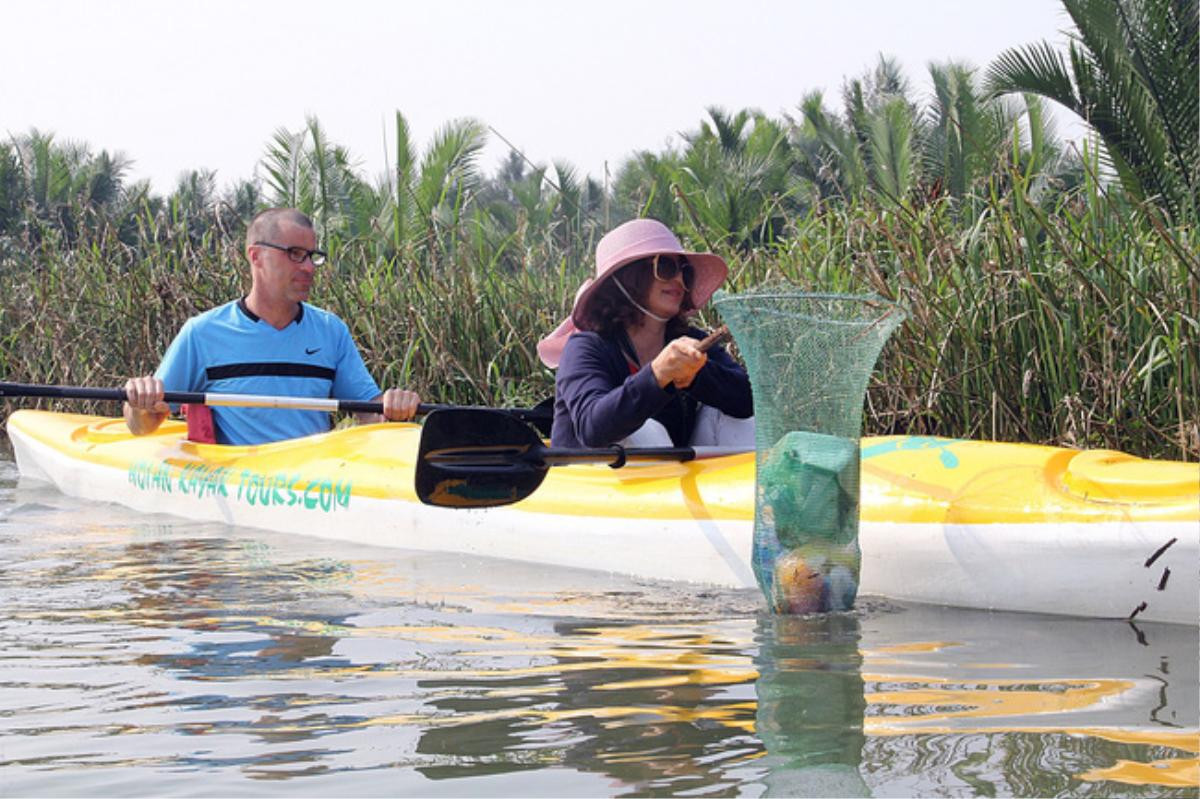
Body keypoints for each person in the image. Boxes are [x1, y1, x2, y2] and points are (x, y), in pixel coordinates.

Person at [123, 208, 421, 445]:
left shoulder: (332, 331)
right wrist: (140, 401)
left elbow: (369, 413)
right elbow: (141, 426)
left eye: (311, 256)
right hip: (243, 489)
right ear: (256, 256)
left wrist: (394, 407)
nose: (307, 267)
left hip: (311, 487)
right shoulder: (202, 333)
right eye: (294, 254)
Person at [536, 218, 753, 449]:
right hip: (598, 478)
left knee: (736, 418)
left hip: (672, 471)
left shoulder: (689, 340)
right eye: (666, 267)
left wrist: (694, 374)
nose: (679, 280)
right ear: (628, 278)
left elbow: (749, 401)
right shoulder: (585, 347)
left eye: (685, 273)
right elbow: (593, 428)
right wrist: (657, 375)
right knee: (646, 430)